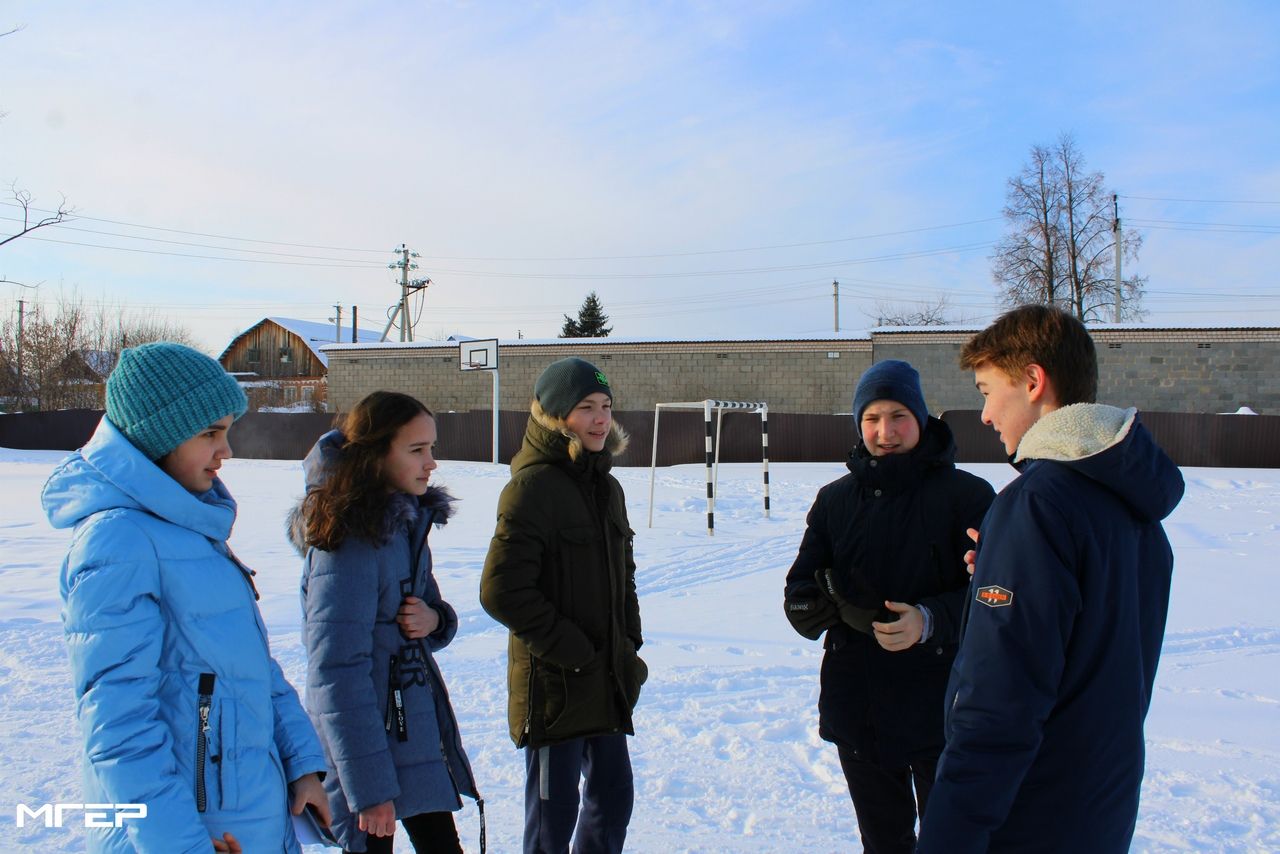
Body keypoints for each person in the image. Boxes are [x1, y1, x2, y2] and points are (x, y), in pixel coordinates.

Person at [916, 305, 1185, 852]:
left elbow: (998, 702)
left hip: (1029, 816)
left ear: (1034, 381)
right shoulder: (1131, 508)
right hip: (1099, 807)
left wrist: (948, 835)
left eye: (988, 389)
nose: (985, 413)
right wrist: (1004, 571)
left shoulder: (1037, 506)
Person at [42, 342, 329, 853]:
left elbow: (249, 669)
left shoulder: (189, 527)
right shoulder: (119, 541)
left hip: (247, 818)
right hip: (187, 832)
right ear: (160, 437)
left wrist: (300, 763)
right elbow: (119, 724)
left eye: (227, 431)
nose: (227, 450)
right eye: (209, 434)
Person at [782, 359, 994, 853]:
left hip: (944, 710)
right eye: (872, 418)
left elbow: (998, 599)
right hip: (860, 707)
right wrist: (819, 608)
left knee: (955, 841)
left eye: (898, 415)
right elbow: (801, 586)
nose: (885, 431)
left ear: (921, 419)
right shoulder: (835, 500)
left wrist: (929, 620)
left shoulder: (968, 496)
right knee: (883, 842)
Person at [292, 390, 482, 854]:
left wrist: (433, 618)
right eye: (417, 450)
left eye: (431, 448)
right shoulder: (350, 542)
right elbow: (335, 673)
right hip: (364, 756)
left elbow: (433, 611)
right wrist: (371, 791)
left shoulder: (405, 523)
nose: (431, 462)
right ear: (376, 457)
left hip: (410, 736)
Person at [480, 357, 647, 854]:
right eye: (586, 408)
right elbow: (501, 590)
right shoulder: (531, 488)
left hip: (606, 677)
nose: (601, 419)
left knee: (613, 801)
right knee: (552, 822)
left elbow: (626, 574)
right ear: (555, 417)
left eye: (606, 407)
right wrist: (571, 648)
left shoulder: (608, 487)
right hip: (555, 690)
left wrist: (628, 640)